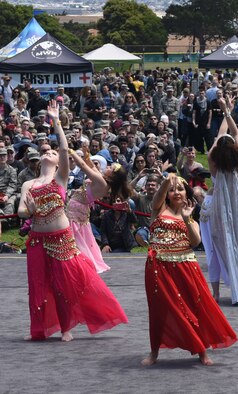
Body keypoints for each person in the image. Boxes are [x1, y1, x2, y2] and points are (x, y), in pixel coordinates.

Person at [18, 100, 128, 341]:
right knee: (37, 285)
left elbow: (65, 148)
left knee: (62, 285)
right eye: (45, 151)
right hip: (37, 239)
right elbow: (21, 212)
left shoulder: (60, 178)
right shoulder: (28, 184)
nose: (48, 152)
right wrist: (30, 210)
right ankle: (38, 330)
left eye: (52, 151)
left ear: (59, 162)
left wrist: (56, 121)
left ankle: (66, 328)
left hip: (61, 239)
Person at [142, 173, 237, 366]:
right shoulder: (158, 209)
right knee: (159, 310)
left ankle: (202, 351)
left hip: (186, 267)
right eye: (172, 190)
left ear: (187, 193)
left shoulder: (190, 219)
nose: (176, 192)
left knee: (194, 307)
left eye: (180, 189)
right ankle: (154, 352)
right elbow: (158, 196)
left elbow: (195, 242)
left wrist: (186, 219)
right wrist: (168, 179)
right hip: (159, 267)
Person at [200, 96, 238, 304]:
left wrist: (224, 111)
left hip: (213, 207)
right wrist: (227, 112)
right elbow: (234, 133)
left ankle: (215, 291)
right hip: (236, 206)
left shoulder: (213, 160)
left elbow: (223, 135)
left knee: (214, 251)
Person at [65, 148, 110, 273]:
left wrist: (72, 151)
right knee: (79, 238)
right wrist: (86, 154)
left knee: (74, 240)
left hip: (76, 211)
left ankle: (76, 264)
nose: (109, 167)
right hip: (79, 209)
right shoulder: (101, 179)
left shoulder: (102, 182)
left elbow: (83, 166)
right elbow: (90, 164)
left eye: (112, 168)